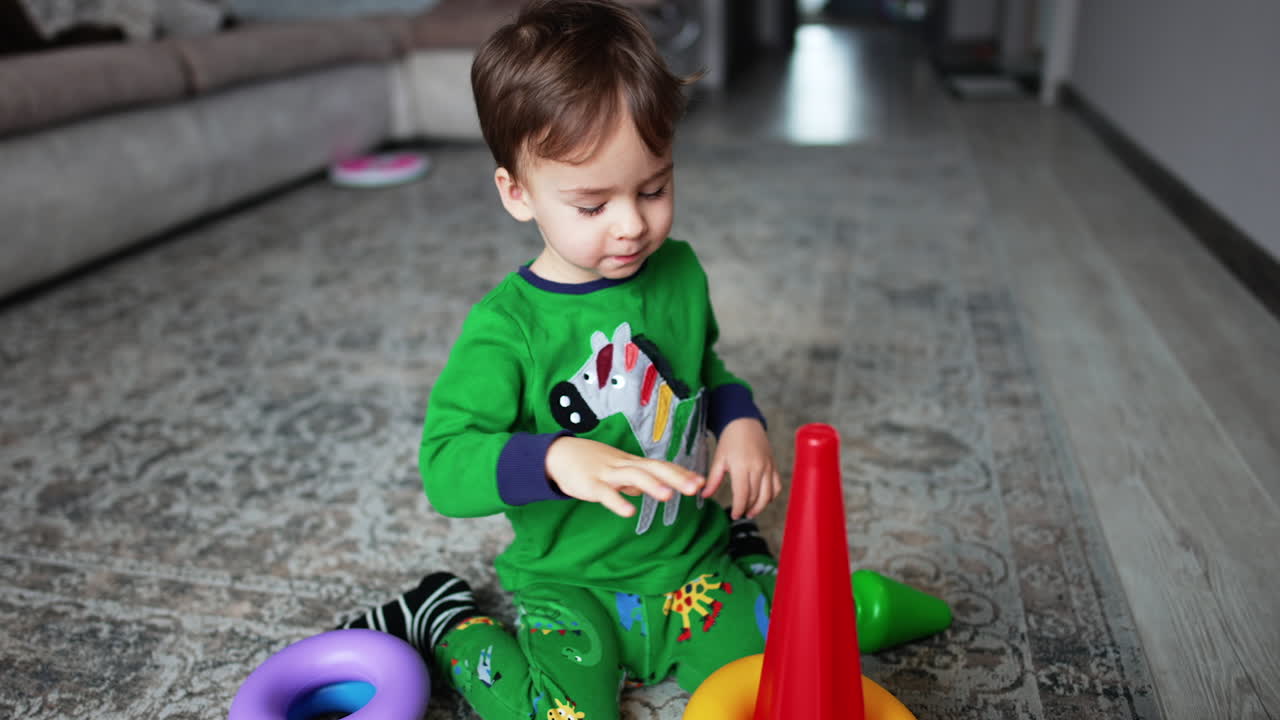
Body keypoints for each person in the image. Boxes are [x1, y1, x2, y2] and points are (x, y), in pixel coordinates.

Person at [340, 1, 783, 717]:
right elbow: (445, 467)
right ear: (519, 195)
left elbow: (709, 374)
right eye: (591, 204)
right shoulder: (506, 329)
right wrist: (552, 460)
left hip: (687, 565)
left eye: (655, 187)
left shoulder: (681, 273)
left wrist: (740, 420)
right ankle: (444, 617)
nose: (633, 223)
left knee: (790, 675)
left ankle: (740, 545)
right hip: (569, 580)